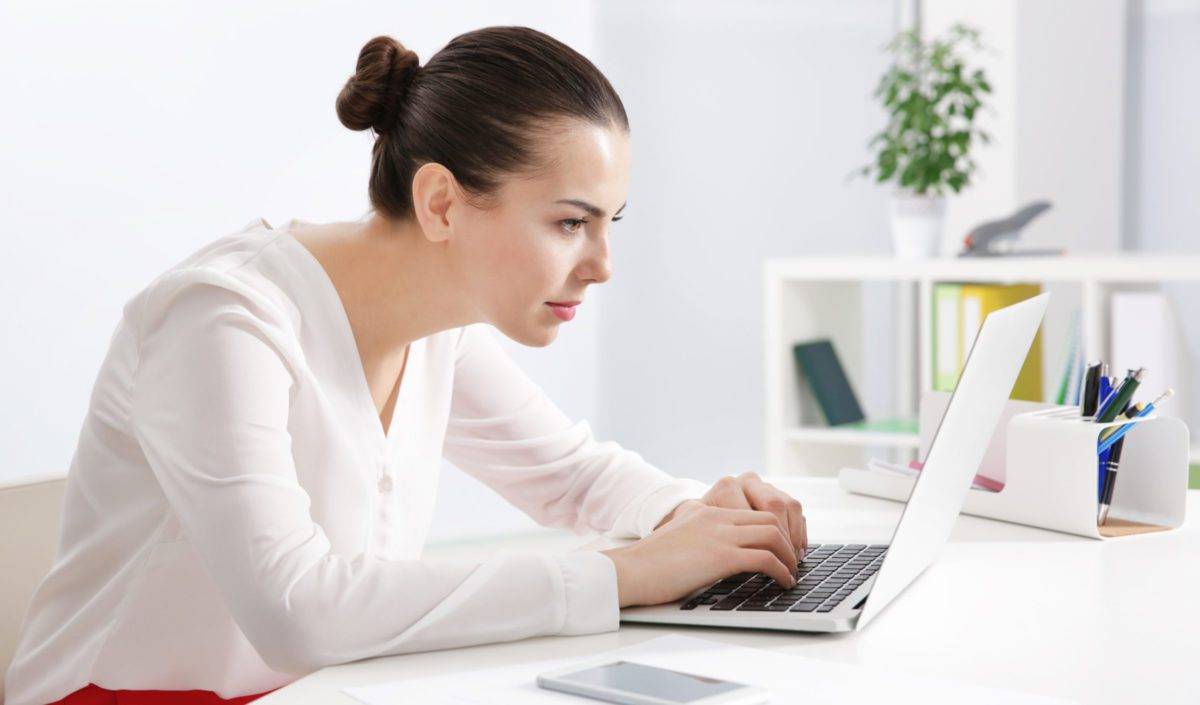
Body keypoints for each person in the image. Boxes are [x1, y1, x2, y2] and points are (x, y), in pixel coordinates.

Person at [4, 27, 807, 705]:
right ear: (441, 203)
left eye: (609, 224)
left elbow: (571, 476)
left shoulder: (438, 327)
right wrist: (621, 574)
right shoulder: (223, 320)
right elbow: (298, 611)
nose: (602, 265)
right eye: (570, 222)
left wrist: (698, 520)